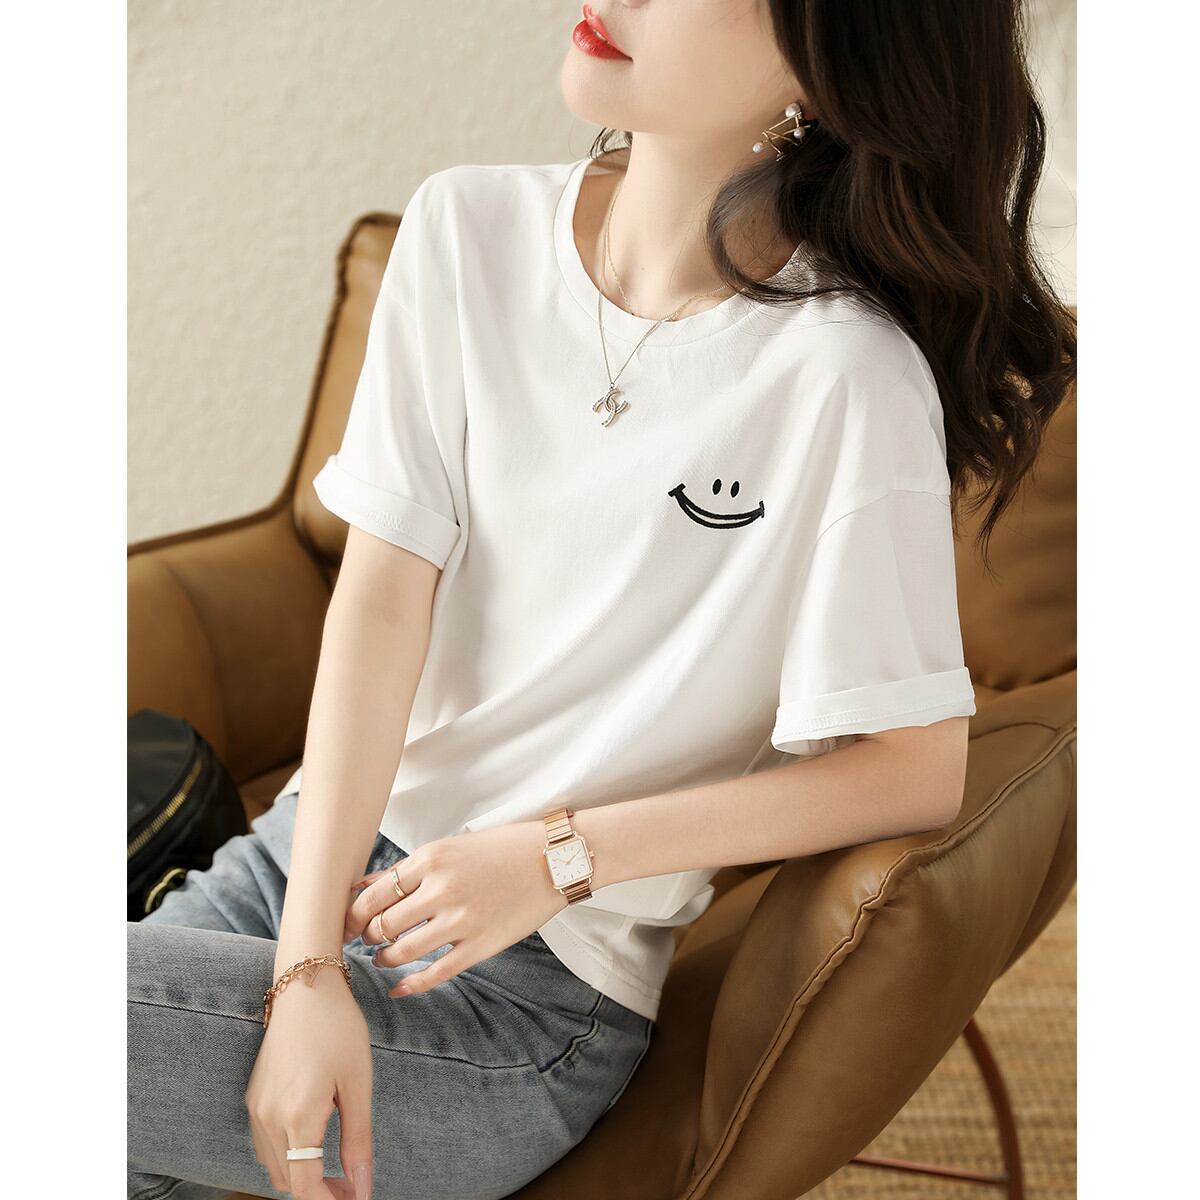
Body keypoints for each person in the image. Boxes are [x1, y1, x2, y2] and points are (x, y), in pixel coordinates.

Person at [127, 2, 1076, 1198]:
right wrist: (306, 966)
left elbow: (913, 767)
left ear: (826, 65)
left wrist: (558, 857)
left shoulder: (843, 376)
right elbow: (379, 605)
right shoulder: (463, 231)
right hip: (299, 873)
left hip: (523, 1002)